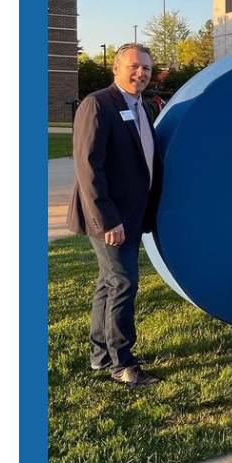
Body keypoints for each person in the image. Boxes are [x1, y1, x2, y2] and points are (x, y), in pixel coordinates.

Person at [67, 42, 163, 387]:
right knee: (123, 282)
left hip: (134, 215)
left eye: (147, 69)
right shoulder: (98, 104)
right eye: (135, 67)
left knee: (109, 283)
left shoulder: (142, 106)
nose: (141, 73)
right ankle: (122, 362)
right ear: (116, 68)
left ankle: (101, 355)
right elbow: (88, 168)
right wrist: (107, 220)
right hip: (111, 218)